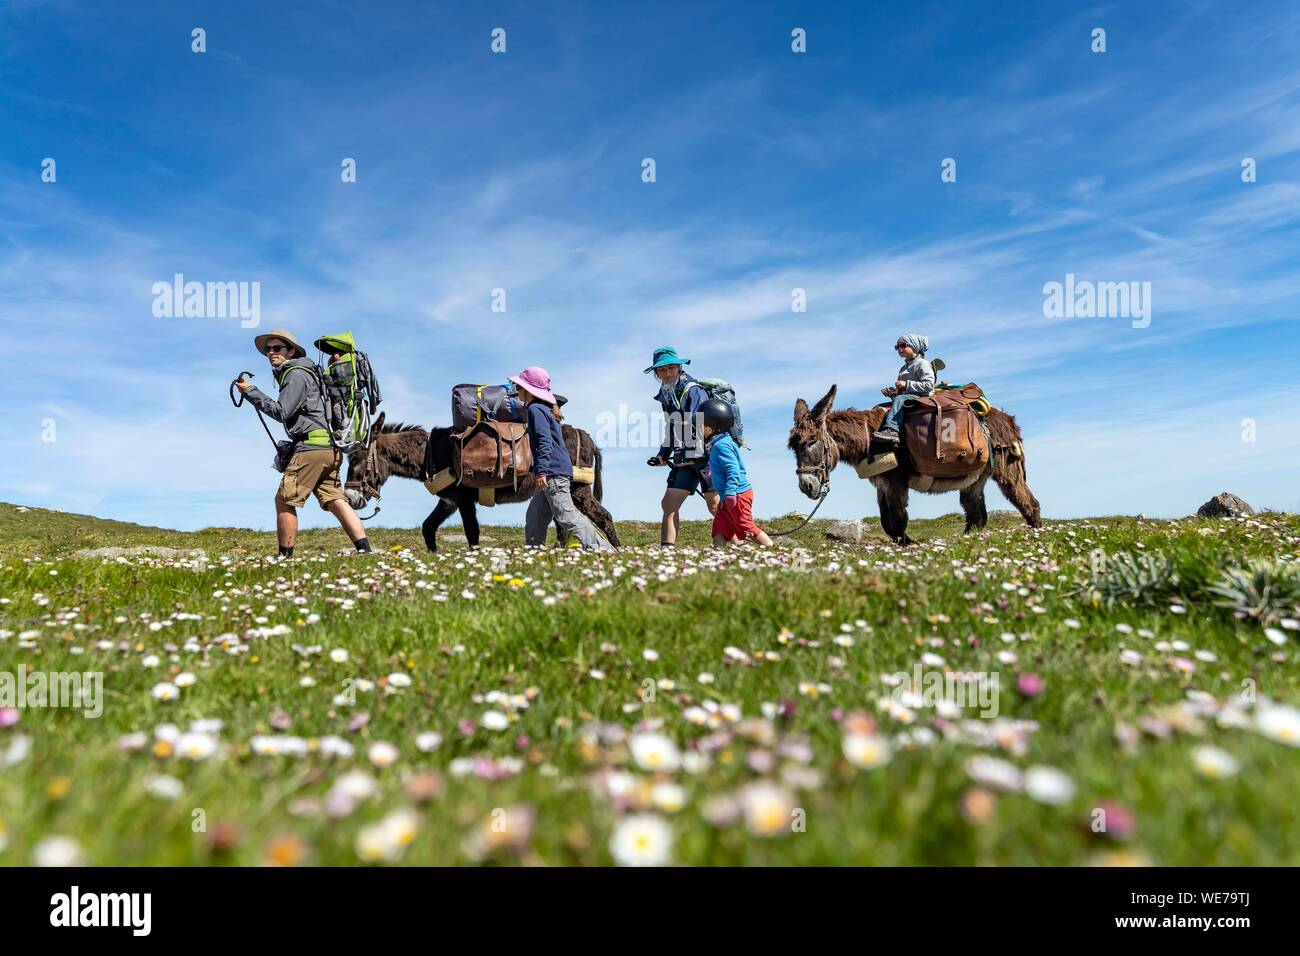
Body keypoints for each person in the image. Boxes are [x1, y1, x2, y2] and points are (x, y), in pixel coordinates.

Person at [235, 327, 372, 558]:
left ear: (291, 351)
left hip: (311, 448)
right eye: (268, 349)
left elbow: (281, 411)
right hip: (330, 447)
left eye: (277, 348)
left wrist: (251, 391)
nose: (271, 352)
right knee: (334, 499)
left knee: (285, 500)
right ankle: (365, 550)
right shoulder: (311, 372)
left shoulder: (296, 374)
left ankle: (284, 557)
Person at [511, 366, 614, 552]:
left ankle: (605, 550)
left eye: (519, 387)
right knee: (535, 515)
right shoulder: (543, 409)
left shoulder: (535, 409)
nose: (516, 390)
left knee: (567, 516)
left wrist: (541, 471)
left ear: (529, 390)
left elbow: (544, 442)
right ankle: (533, 553)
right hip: (553, 470)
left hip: (552, 471)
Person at [644, 346, 719, 547]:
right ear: (656, 373)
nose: (667, 373)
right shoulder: (666, 394)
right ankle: (666, 553)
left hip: (706, 458)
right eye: (662, 370)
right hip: (684, 459)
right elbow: (672, 427)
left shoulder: (693, 390)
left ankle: (733, 549)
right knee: (668, 504)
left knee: (715, 506)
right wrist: (663, 454)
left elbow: (700, 424)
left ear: (679, 367)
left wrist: (688, 453)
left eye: (671, 368)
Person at [700, 398, 772, 548]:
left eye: (701, 424)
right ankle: (717, 557)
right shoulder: (722, 441)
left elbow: (733, 469)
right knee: (719, 528)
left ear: (711, 427)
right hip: (727, 496)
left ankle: (770, 547)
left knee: (746, 527)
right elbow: (724, 467)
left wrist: (731, 491)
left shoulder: (721, 446)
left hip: (737, 494)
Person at [872, 333, 936, 444]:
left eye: (903, 345)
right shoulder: (903, 368)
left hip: (923, 397)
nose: (899, 349)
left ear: (914, 346)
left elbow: (929, 385)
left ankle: (892, 431)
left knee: (900, 399)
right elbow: (901, 393)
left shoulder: (922, 364)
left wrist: (906, 384)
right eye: (897, 347)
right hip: (908, 397)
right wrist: (892, 393)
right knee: (878, 407)